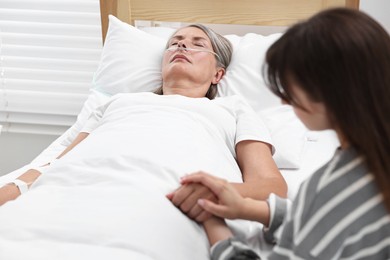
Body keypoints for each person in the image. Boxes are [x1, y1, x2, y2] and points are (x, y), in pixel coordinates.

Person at [0, 24, 286, 259]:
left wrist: (218, 192)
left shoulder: (233, 109)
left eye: (197, 43)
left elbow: (272, 187)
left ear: (218, 74)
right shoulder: (118, 102)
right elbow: (54, 165)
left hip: (165, 200)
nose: (181, 46)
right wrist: (13, 189)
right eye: (174, 43)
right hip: (65, 192)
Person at [179, 8, 390, 260]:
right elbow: (323, 220)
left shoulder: (332, 189)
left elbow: (326, 215)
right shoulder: (369, 163)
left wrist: (214, 226)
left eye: (288, 90)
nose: (283, 102)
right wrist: (248, 208)